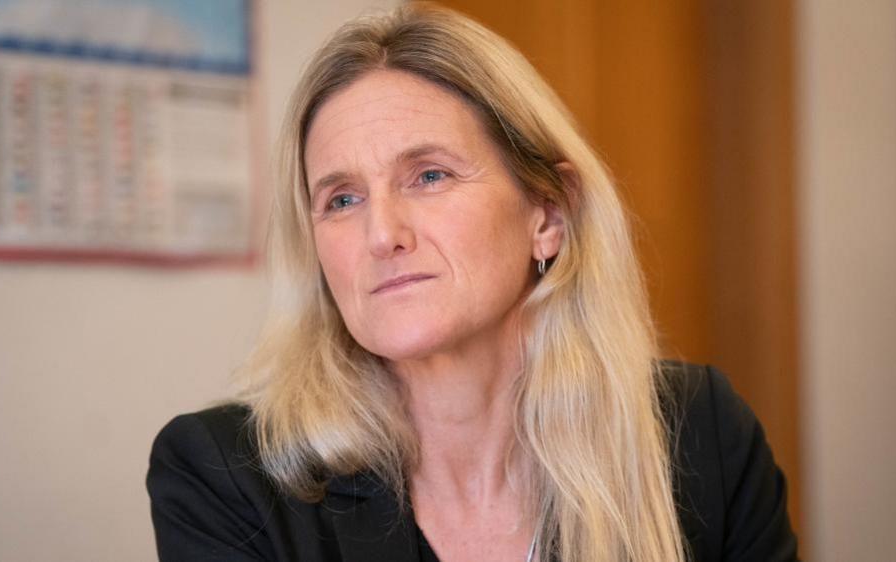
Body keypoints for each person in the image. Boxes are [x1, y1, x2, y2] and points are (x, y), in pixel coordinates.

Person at [147, 4, 798, 561]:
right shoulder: (225, 474)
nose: (381, 234)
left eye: (428, 176)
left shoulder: (699, 433)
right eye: (341, 200)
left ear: (547, 214)